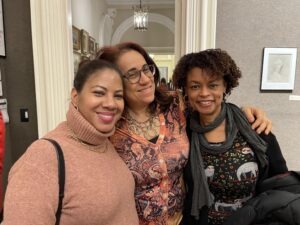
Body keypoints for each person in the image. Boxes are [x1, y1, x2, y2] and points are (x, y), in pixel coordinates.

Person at [96, 42, 272, 225]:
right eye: (132, 74)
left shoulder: (174, 106)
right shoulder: (109, 126)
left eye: (146, 69)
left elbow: (209, 103)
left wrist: (246, 112)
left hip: (182, 219)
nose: (145, 79)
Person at [3, 60, 139, 225]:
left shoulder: (104, 142)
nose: (111, 104)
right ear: (75, 97)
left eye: (118, 95)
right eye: (99, 93)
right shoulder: (43, 157)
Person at [172, 48, 288, 225]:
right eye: (195, 86)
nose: (204, 93)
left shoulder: (253, 126)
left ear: (225, 85)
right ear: (186, 90)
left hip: (252, 221)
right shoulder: (181, 131)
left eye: (213, 85)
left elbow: (281, 181)